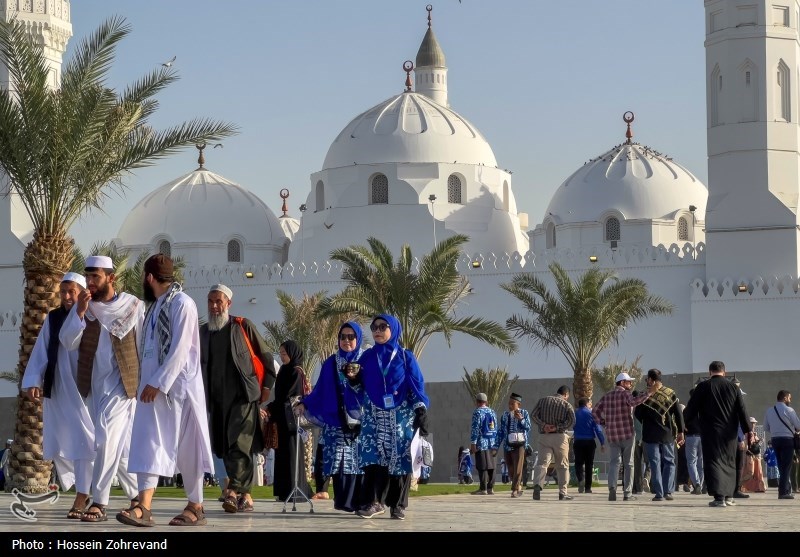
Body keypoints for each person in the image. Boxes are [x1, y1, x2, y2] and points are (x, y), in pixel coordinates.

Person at [117, 253, 214, 527]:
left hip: (177, 391)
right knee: (149, 442)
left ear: (149, 278)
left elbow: (180, 350)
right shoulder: (155, 308)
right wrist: (144, 382)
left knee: (187, 450)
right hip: (152, 390)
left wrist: (159, 382)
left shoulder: (182, 304)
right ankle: (144, 506)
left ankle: (195, 506)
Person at [60, 255, 143, 523]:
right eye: (88, 277)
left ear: (111, 277)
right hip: (94, 386)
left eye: (95, 277)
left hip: (123, 384)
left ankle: (100, 502)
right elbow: (67, 341)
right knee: (112, 445)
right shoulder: (87, 306)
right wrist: (80, 313)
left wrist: (146, 383)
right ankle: (136, 496)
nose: (91, 283)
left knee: (106, 438)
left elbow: (142, 343)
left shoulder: (132, 305)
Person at [21, 272, 96, 519]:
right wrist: (34, 379)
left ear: (82, 292)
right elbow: (41, 350)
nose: (66, 296)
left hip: (85, 389)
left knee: (85, 440)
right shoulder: (53, 318)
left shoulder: (94, 314)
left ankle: (84, 495)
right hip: (59, 387)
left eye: (71, 291)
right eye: (63, 291)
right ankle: (87, 490)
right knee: (63, 441)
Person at [199, 283, 276, 514]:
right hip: (215, 399)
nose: (214, 306)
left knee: (239, 443)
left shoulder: (242, 326)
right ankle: (247, 496)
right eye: (211, 301)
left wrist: (266, 388)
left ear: (228, 303)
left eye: (218, 301)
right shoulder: (203, 332)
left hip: (243, 396)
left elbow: (266, 356)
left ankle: (232, 492)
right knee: (223, 446)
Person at [354, 314, 430, 520]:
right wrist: (351, 379)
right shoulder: (367, 357)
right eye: (374, 327)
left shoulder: (405, 356)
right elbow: (357, 384)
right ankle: (373, 502)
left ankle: (398, 505)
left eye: (383, 326)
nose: (377, 330)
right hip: (374, 417)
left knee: (401, 461)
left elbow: (416, 386)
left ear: (393, 329)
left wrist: (420, 411)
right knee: (372, 459)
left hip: (400, 417)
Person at [295, 321, 366, 513]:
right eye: (343, 337)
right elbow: (319, 390)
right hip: (336, 422)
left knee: (358, 462)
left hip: (360, 422)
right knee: (340, 461)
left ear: (358, 339)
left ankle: (360, 501)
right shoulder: (331, 363)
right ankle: (343, 501)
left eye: (351, 337)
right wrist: (305, 403)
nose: (346, 341)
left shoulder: (365, 360)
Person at [683, 360, 753, 507]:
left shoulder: (703, 387)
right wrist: (748, 430)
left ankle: (719, 497)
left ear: (710, 372)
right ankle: (729, 496)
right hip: (730, 434)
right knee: (729, 461)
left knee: (713, 462)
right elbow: (742, 410)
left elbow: (691, 409)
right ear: (724, 372)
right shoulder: (733, 387)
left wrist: (685, 425)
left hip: (710, 432)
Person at [264, 340, 312, 503]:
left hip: (291, 421)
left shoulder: (295, 372)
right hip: (282, 420)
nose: (282, 357)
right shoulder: (284, 370)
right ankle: (284, 491)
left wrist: (273, 407)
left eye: (284, 354)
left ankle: (295, 491)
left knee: (292, 454)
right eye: (281, 354)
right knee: (282, 455)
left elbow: (290, 397)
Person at [593, 373, 652, 501]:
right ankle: (627, 493)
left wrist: (603, 423)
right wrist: (648, 394)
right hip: (627, 434)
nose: (630, 384)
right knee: (629, 464)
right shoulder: (625, 394)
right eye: (629, 382)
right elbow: (634, 402)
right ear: (622, 383)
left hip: (612, 435)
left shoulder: (606, 396)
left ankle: (612, 489)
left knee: (614, 463)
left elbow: (595, 412)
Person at [634, 368, 684, 502]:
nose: (646, 382)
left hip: (650, 434)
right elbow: (678, 414)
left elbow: (638, 415)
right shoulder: (670, 393)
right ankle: (668, 491)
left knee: (654, 463)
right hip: (667, 434)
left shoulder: (645, 395)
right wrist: (681, 431)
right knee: (669, 462)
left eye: (647, 379)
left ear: (651, 379)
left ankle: (659, 493)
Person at [531, 385, 575, 501]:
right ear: (566, 395)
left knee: (542, 463)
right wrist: (556, 427)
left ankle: (537, 485)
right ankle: (562, 492)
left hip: (544, 436)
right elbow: (572, 420)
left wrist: (543, 425)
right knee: (562, 465)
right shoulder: (566, 405)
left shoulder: (543, 401)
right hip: (560, 437)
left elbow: (533, 415)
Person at [763, 389, 800, 500]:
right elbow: (798, 425)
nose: (790, 400)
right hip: (787, 440)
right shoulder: (789, 410)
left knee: (780, 465)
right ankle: (783, 492)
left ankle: (786, 489)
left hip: (775, 440)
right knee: (786, 467)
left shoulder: (769, 411)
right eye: (789, 398)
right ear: (784, 398)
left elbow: (765, 427)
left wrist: (776, 431)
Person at [497, 392, 531, 498]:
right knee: (510, 468)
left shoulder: (524, 413)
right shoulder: (505, 416)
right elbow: (501, 431)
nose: (510, 406)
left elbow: (528, 427)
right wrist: (496, 446)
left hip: (520, 445)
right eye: (509, 404)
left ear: (518, 405)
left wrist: (521, 419)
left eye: (513, 404)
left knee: (518, 468)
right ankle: (518, 486)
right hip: (508, 445)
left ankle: (515, 490)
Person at [572, 397, 604, 495]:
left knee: (578, 463)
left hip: (578, 441)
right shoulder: (592, 413)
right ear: (587, 404)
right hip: (589, 442)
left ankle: (580, 479)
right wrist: (602, 442)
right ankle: (588, 488)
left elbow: (572, 425)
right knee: (589, 465)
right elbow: (598, 429)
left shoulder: (574, 414)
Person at [469, 392, 498, 495]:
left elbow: (475, 429)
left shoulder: (477, 412)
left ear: (477, 402)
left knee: (482, 466)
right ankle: (491, 488)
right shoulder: (493, 412)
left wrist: (473, 443)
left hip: (482, 442)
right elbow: (495, 428)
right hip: (492, 442)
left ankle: (483, 489)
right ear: (486, 402)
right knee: (492, 466)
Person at [683, 388, 705, 495]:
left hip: (691, 436)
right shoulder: (704, 409)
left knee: (691, 462)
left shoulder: (687, 410)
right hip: (703, 436)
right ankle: (699, 485)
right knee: (701, 462)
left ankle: (696, 484)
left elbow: (683, 425)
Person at [740, 417, 766, 493]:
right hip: (751, 455)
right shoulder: (748, 434)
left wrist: (759, 441)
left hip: (756, 455)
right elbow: (747, 446)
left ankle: (758, 487)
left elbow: (755, 444)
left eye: (754, 423)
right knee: (750, 472)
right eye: (752, 423)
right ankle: (739, 485)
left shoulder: (753, 433)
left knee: (758, 472)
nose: (754, 424)